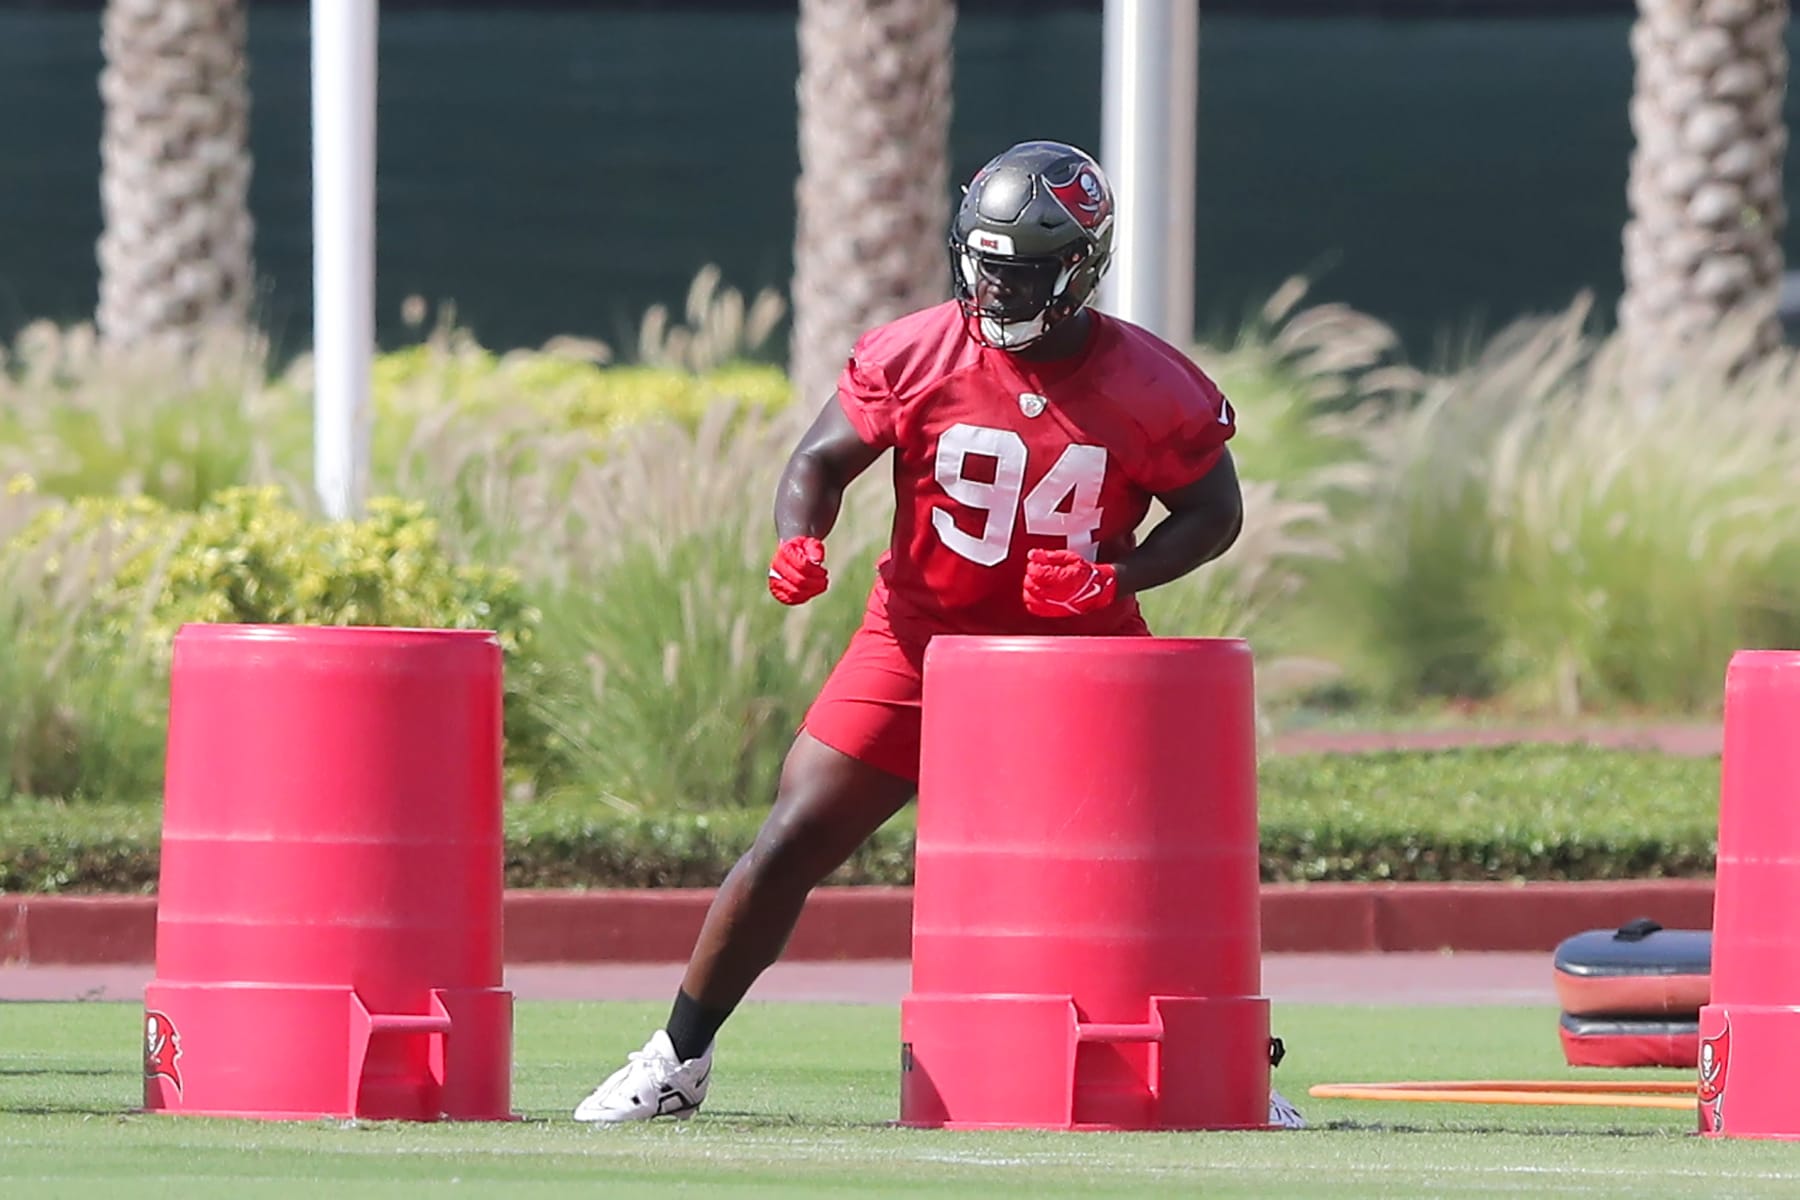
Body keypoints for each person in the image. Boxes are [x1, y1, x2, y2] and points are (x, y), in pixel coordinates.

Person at [573, 139, 1299, 1128]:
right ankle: (677, 1055)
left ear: (1079, 270)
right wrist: (800, 537)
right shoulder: (917, 350)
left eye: (1020, 270)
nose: (995, 286)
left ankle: (1226, 1068)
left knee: (1150, 875)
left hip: (1075, 661)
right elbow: (820, 461)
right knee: (788, 840)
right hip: (919, 644)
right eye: (984, 261)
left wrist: (1116, 577)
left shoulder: (1150, 383)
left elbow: (1215, 512)